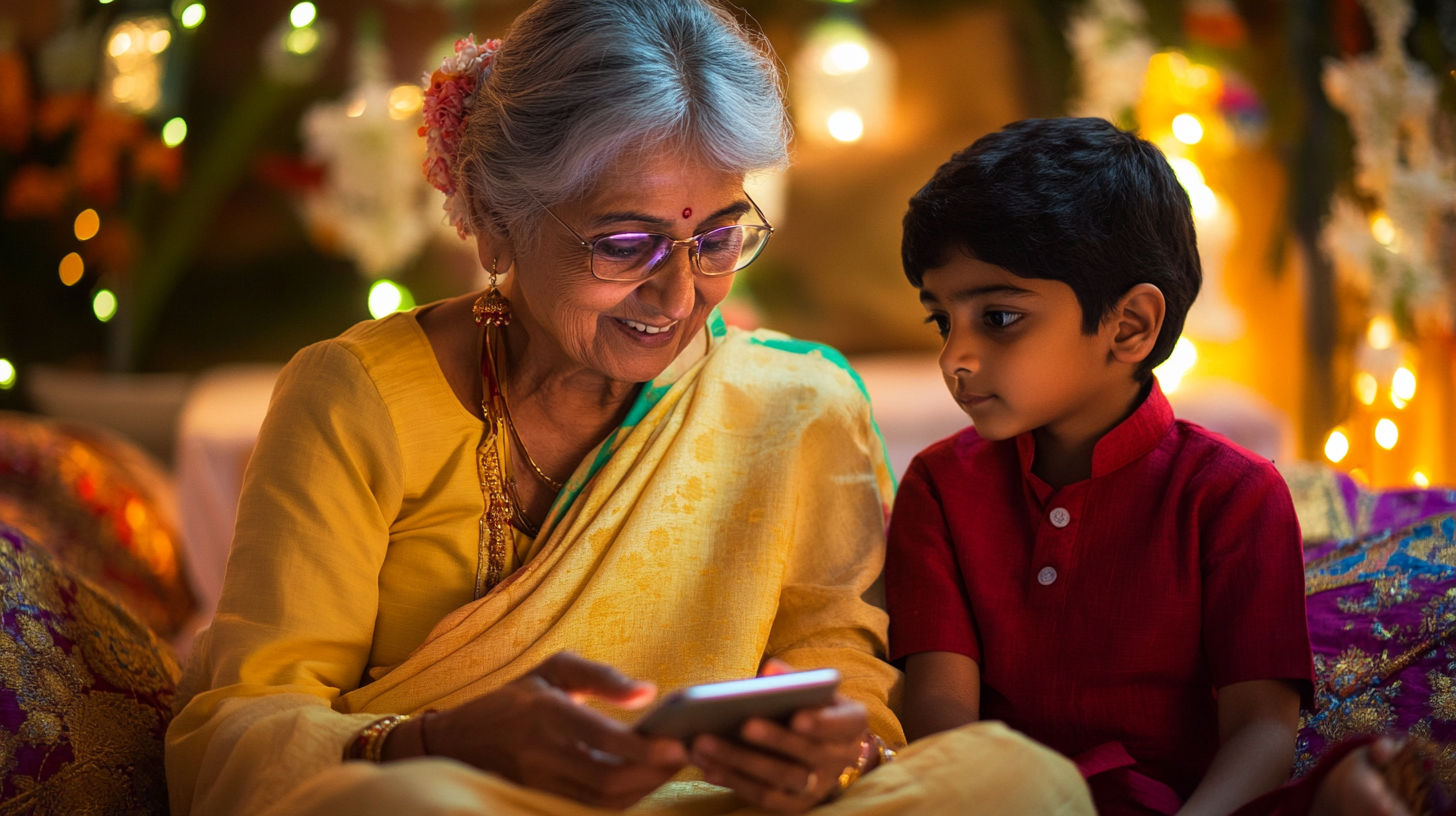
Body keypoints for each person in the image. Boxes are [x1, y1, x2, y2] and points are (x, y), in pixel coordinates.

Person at [164, 4, 1094, 815]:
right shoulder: (355, 396)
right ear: (494, 218)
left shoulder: (796, 406)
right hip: (468, 802)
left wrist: (829, 758)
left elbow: (851, 686)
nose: (679, 295)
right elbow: (232, 744)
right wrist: (440, 744)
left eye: (719, 236)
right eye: (624, 242)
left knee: (1014, 780)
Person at [884, 117, 1321, 816]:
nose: (953, 358)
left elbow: (1263, 730)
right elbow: (942, 720)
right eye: (942, 320)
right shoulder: (940, 486)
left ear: (1129, 326)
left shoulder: (1235, 494)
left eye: (997, 318)